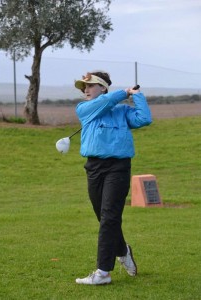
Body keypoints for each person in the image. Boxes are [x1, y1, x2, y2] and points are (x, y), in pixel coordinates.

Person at [74, 71, 152, 285]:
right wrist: (123, 92)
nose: (85, 90)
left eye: (90, 86)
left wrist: (136, 95)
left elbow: (144, 119)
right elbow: (106, 102)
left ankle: (103, 273)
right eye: (84, 87)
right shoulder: (84, 110)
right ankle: (123, 250)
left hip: (118, 168)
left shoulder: (123, 111)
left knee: (109, 217)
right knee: (104, 217)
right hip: (94, 167)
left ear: (103, 87)